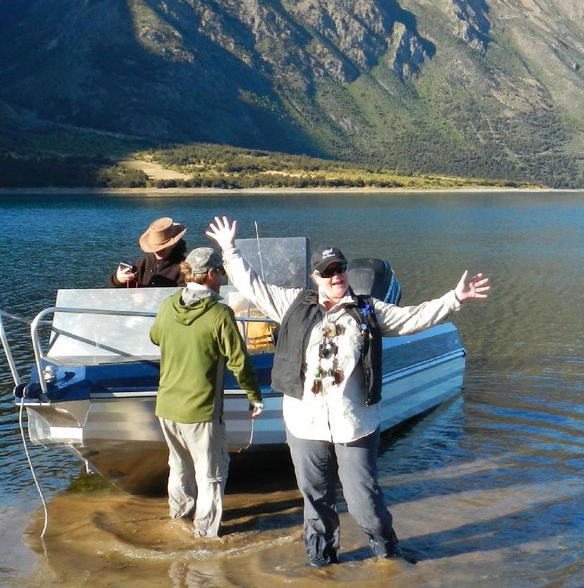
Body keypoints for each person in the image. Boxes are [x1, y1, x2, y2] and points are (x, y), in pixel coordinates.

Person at [206, 215, 491, 566]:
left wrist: (454, 298)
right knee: (316, 502)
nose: (336, 275)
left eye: (339, 268)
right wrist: (229, 250)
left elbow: (414, 317)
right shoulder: (292, 304)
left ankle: (388, 557)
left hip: (354, 423)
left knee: (364, 502)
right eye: (327, 271)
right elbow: (252, 284)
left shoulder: (368, 310)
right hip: (304, 424)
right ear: (316, 278)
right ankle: (321, 563)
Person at [148, 246, 265, 538]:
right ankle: (206, 536)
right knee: (210, 474)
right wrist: (254, 396)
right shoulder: (219, 313)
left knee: (178, 467)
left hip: (166, 407)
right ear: (210, 274)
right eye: (221, 273)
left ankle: (178, 520)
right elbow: (239, 362)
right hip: (200, 411)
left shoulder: (167, 305)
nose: (223, 280)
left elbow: (154, 337)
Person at [110, 217, 189, 288]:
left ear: (174, 244)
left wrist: (145, 298)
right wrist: (118, 280)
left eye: (162, 248)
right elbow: (113, 290)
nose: (157, 251)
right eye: (155, 249)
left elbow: (183, 298)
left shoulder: (185, 268)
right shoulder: (140, 265)